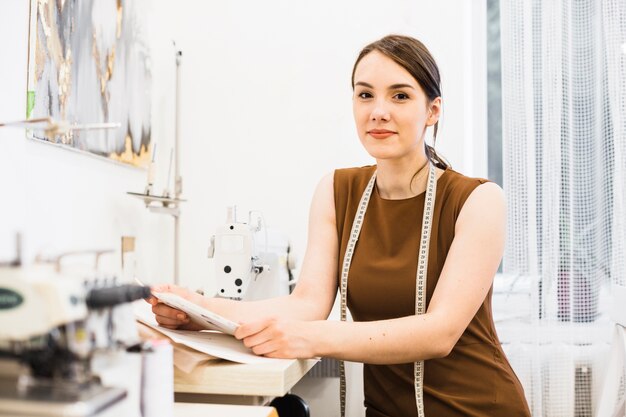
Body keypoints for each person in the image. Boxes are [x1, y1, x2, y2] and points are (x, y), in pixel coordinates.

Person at [148, 34, 531, 417]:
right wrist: (198, 311)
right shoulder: (337, 191)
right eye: (365, 95)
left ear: (433, 111)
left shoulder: (478, 200)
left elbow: (440, 332)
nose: (378, 112)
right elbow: (307, 304)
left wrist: (311, 338)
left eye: (400, 96)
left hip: (477, 408)